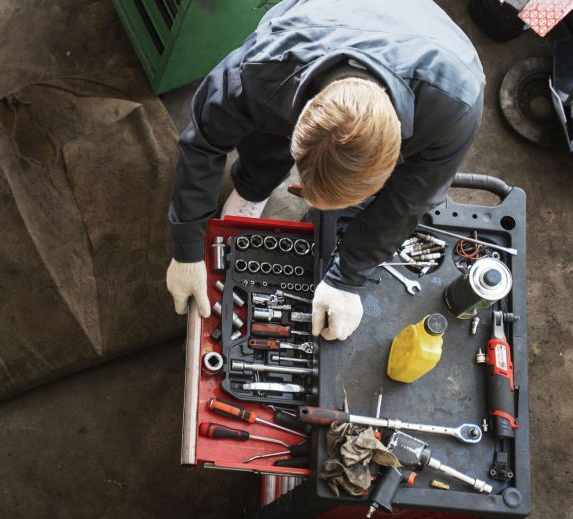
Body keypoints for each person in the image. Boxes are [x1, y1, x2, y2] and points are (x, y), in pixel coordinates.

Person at [164, 0, 484, 340]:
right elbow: (204, 141)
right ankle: (252, 187)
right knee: (264, 141)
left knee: (406, 198)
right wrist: (187, 246)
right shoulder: (263, 68)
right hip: (322, 20)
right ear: (300, 125)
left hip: (435, 50)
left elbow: (408, 201)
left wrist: (347, 276)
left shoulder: (455, 110)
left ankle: (258, 184)